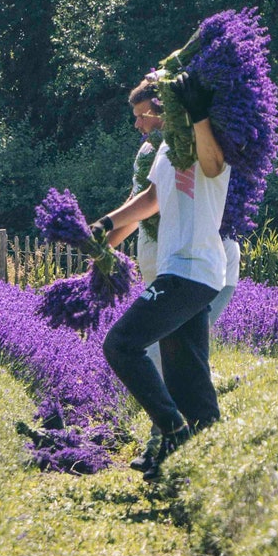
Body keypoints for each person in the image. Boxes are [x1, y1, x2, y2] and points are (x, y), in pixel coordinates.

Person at [93, 72, 231, 481]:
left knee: (121, 344)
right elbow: (151, 200)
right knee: (188, 376)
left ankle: (173, 431)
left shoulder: (207, 139)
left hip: (194, 268)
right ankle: (208, 466)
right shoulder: (169, 147)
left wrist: (201, 112)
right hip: (180, 268)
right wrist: (103, 225)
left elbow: (214, 163)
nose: (145, 120)